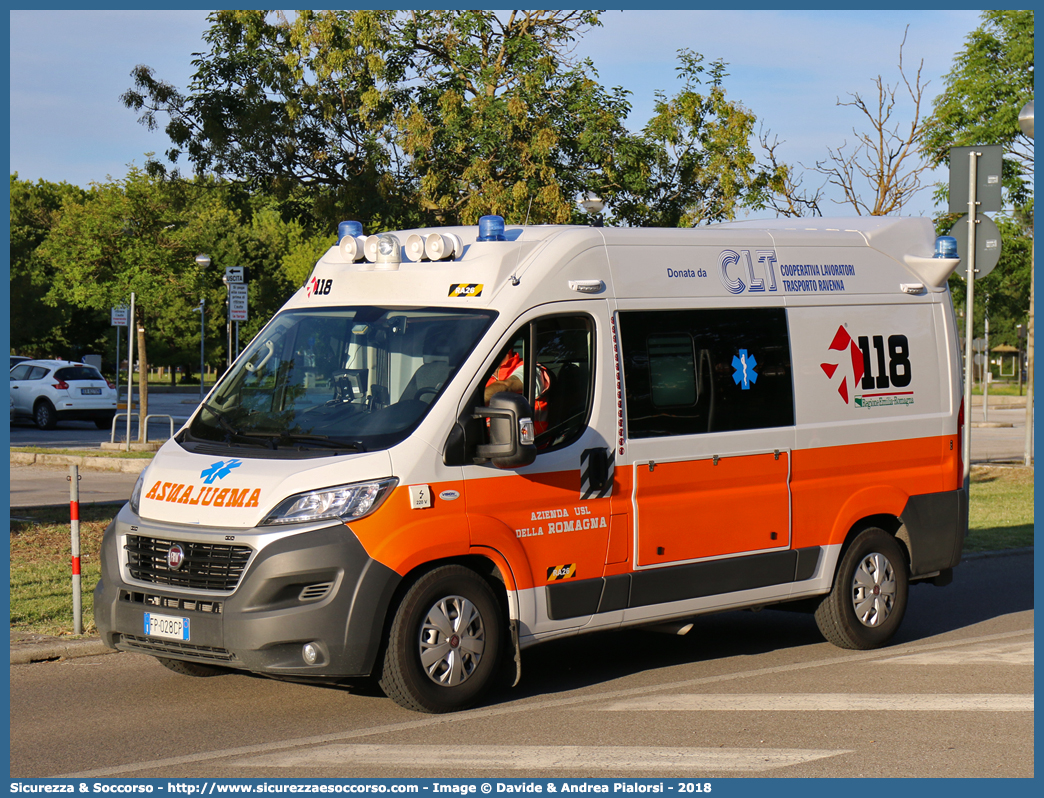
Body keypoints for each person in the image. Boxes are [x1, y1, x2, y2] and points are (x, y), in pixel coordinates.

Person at [484, 349, 550, 433]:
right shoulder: (484, 375)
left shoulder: (529, 369)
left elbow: (507, 386)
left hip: (532, 442)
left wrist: (471, 402)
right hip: (493, 439)